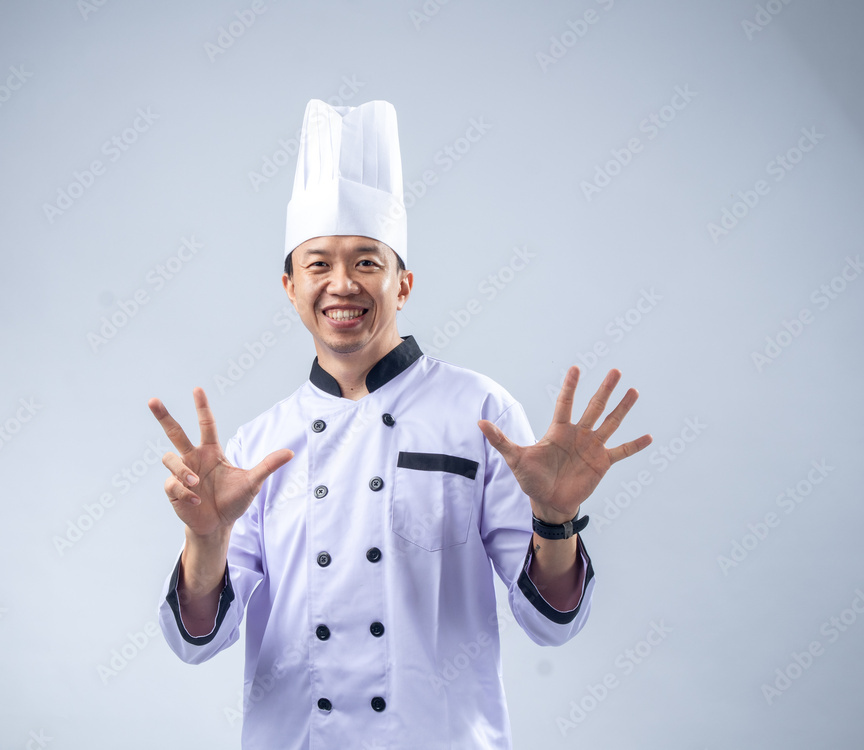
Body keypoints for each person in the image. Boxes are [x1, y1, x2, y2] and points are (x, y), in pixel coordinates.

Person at [149, 99, 652, 749]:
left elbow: (551, 622)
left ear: (404, 284)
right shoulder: (256, 448)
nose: (342, 285)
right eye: (318, 264)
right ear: (290, 286)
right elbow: (198, 640)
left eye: (366, 262)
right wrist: (206, 539)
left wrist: (554, 521)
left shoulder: (482, 414)